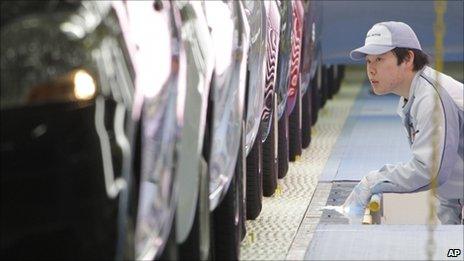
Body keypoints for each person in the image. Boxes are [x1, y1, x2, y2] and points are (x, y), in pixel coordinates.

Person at [343, 21, 464, 224]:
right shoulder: (413, 97)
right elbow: (448, 171)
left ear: (408, 58)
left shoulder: (431, 99)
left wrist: (373, 182)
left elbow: (429, 170)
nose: (371, 70)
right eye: (368, 61)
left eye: (380, 59)